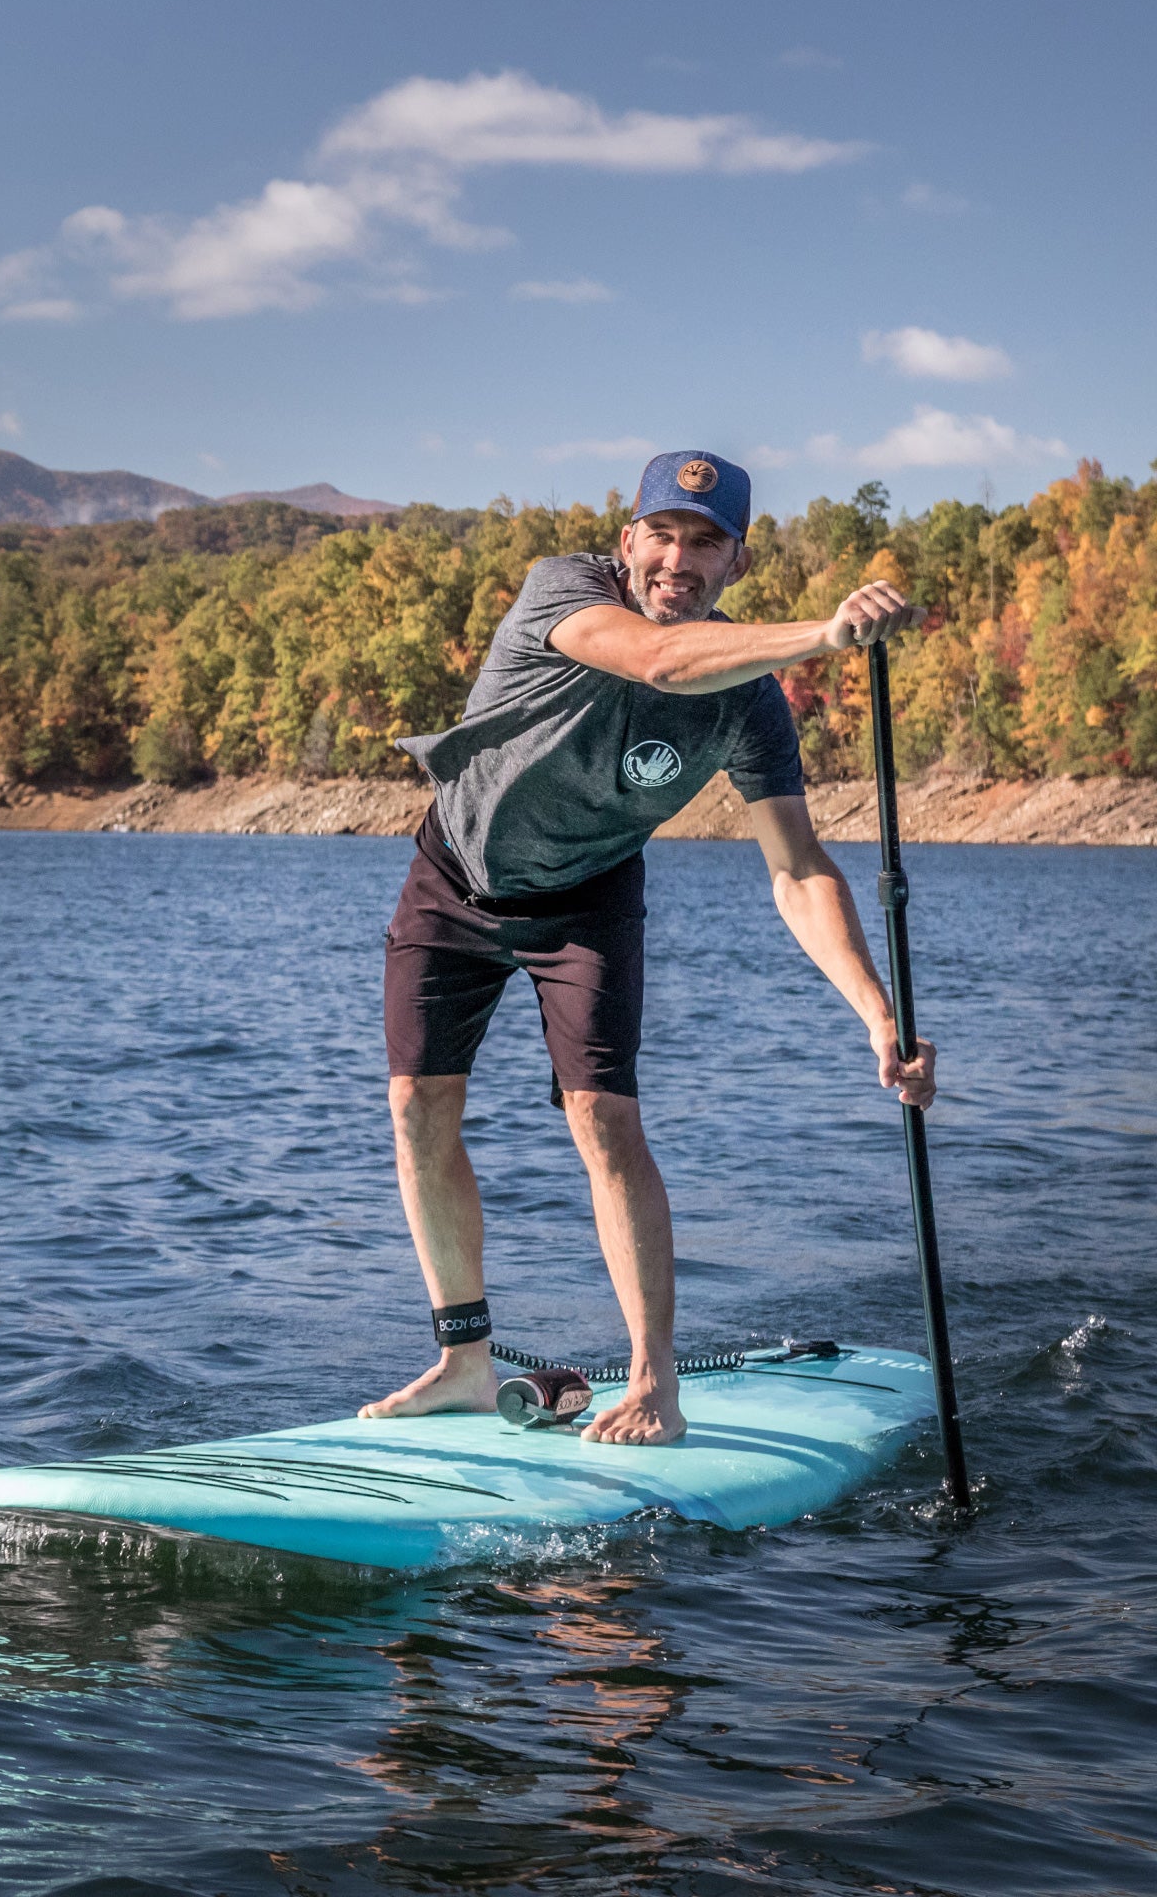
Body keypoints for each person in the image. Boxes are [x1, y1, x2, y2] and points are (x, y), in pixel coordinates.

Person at [361, 450, 936, 1446]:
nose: (678, 557)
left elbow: (797, 866)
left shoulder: (749, 704)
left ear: (736, 563)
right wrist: (826, 633)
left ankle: (652, 1382)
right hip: (454, 868)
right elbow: (657, 660)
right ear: (627, 541)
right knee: (417, 1104)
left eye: (704, 541)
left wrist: (877, 1015)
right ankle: (462, 1359)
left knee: (604, 1119)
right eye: (662, 534)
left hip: (587, 894)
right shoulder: (562, 589)